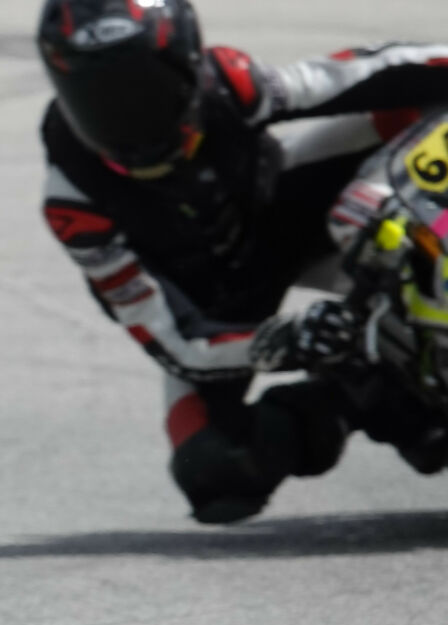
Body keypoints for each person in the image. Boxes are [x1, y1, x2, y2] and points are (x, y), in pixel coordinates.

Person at [36, 0, 448, 522]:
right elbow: (172, 338)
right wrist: (281, 342)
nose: (129, 121)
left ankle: (432, 254)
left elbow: (371, 70)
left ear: (189, 63)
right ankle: (368, 393)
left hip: (287, 211)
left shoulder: (229, 82)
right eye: (98, 101)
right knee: (214, 469)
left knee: (415, 109)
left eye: (147, 92)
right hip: (221, 306)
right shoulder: (74, 203)